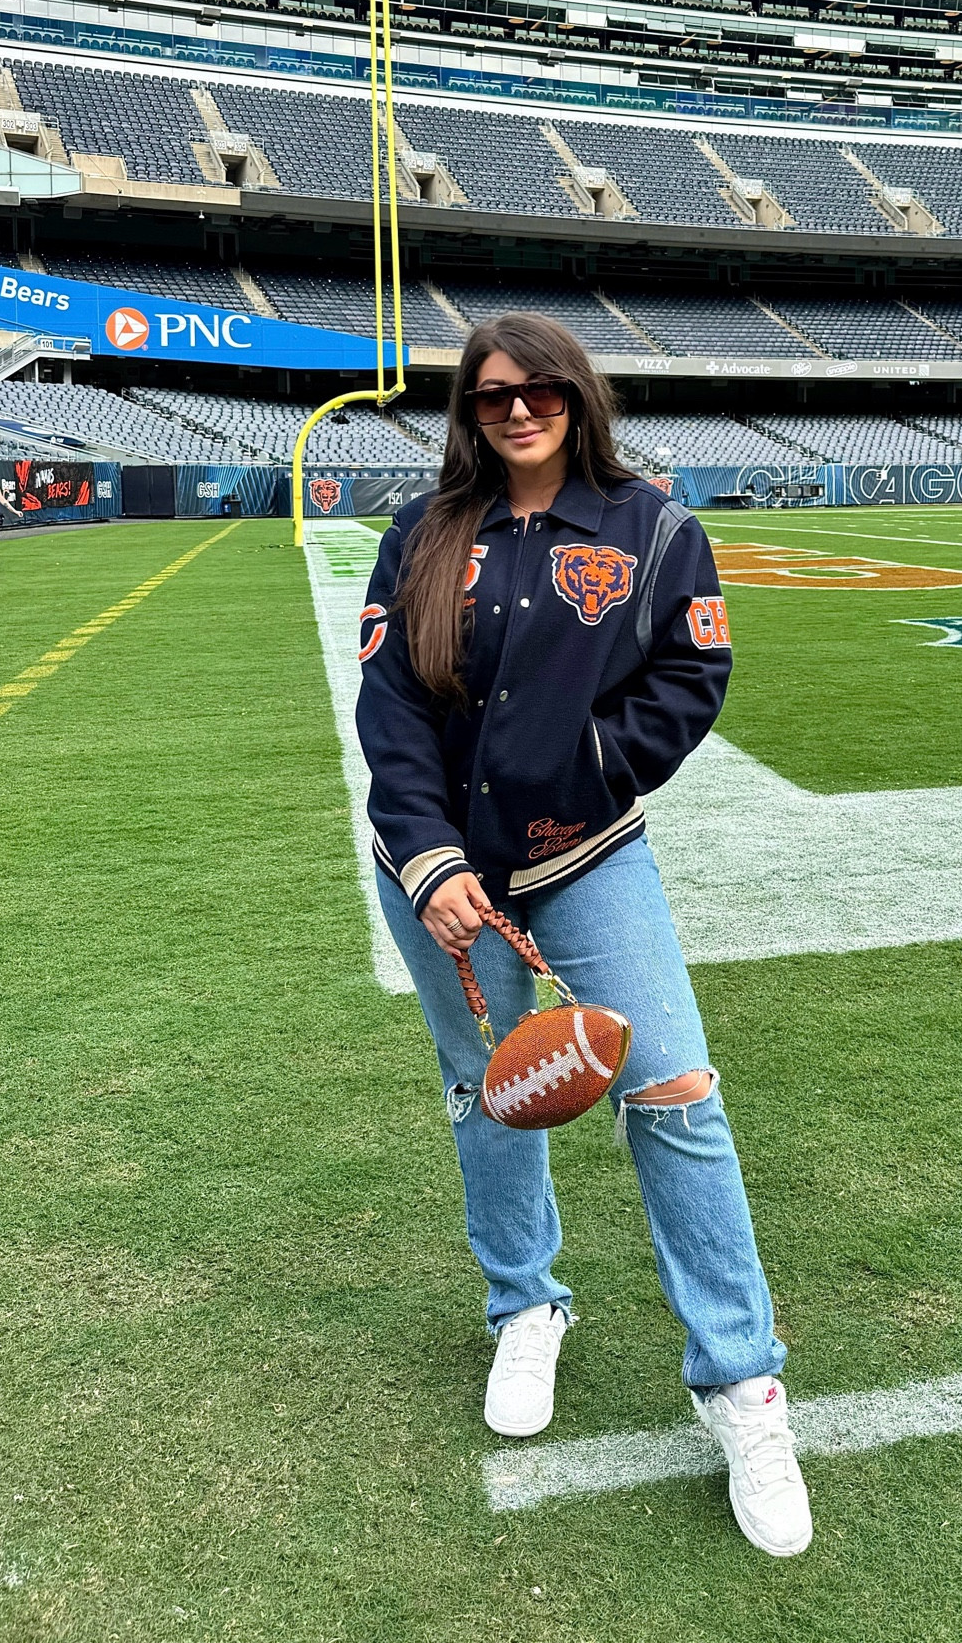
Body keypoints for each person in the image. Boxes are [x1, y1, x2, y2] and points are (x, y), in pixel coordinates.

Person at [355, 313, 812, 1557]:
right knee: (490, 1088)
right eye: (493, 393)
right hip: (439, 869)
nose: (517, 409)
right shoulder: (420, 533)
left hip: (584, 854)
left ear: (578, 394)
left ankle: (742, 1383)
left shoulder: (654, 525)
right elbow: (388, 710)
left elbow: (687, 679)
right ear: (468, 407)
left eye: (540, 389)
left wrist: (588, 767)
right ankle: (525, 1302)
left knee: (672, 1087)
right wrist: (431, 856)